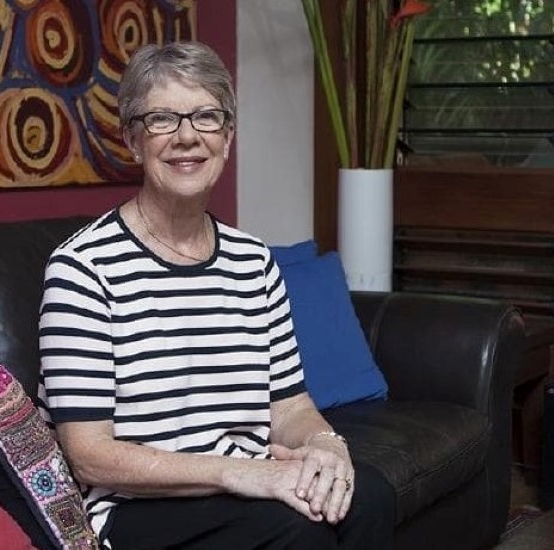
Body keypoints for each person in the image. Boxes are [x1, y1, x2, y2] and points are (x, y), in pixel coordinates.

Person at [36, 41, 395, 549]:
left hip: (243, 484)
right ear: (133, 141)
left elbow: (289, 404)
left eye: (206, 117)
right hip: (136, 508)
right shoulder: (83, 270)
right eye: (162, 119)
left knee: (369, 494)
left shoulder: (254, 262)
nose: (187, 137)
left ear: (227, 137)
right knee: (299, 533)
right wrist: (238, 474)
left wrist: (326, 446)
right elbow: (90, 454)